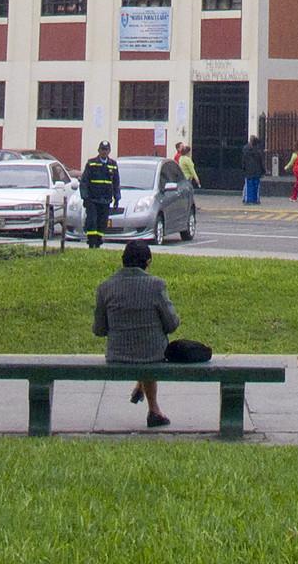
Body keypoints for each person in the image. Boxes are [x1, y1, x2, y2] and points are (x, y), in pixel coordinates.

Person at [93, 238, 180, 428]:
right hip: (153, 355)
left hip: (118, 355)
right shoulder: (157, 285)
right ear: (148, 262)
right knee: (148, 350)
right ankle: (154, 409)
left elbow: (98, 330)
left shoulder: (105, 287)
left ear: (123, 260)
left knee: (142, 351)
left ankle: (143, 388)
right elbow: (172, 324)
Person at [79, 140, 121, 249]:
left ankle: (98, 241)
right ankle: (91, 242)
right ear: (98, 150)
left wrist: (117, 198)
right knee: (92, 221)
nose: (104, 152)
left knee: (102, 222)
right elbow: (84, 182)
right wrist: (85, 197)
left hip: (106, 200)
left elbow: (116, 183)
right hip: (92, 199)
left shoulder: (113, 165)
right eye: (102, 149)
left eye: (106, 150)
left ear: (109, 151)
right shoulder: (91, 163)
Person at [241, 133, 267, 205]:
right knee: (256, 186)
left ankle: (248, 200)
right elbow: (260, 162)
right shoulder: (258, 151)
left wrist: (243, 168)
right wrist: (263, 171)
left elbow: (243, 161)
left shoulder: (245, 150)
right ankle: (255, 200)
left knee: (249, 186)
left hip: (249, 171)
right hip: (257, 171)